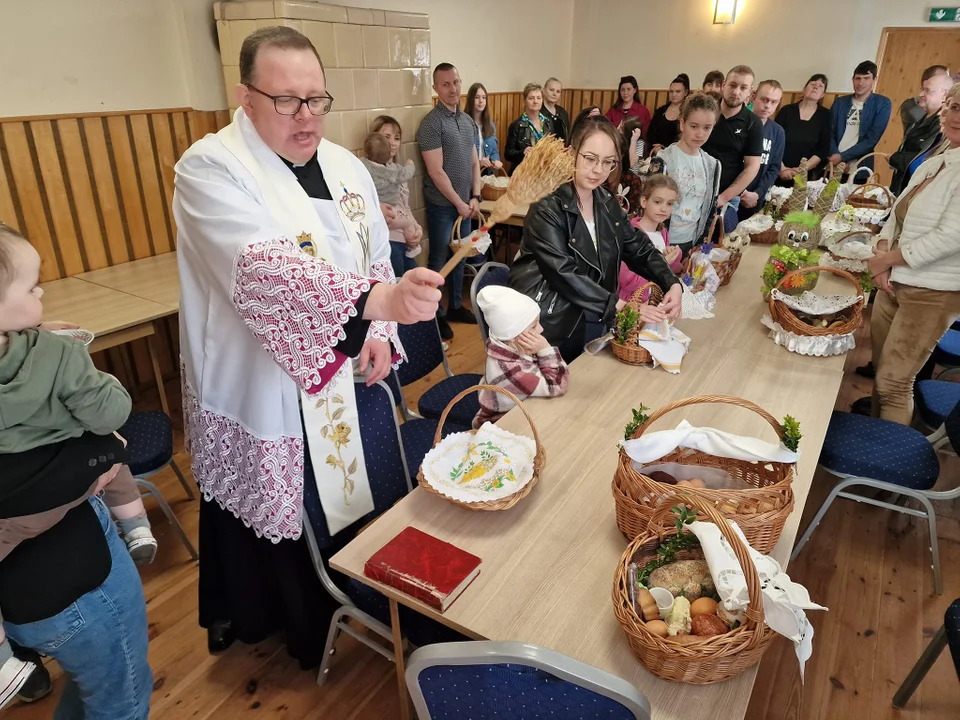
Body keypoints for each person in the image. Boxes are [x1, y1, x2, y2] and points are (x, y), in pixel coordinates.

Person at [173, 26, 443, 665]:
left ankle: (343, 595)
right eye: (285, 100)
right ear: (245, 96)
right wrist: (375, 306)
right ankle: (270, 618)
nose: (306, 116)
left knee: (337, 489)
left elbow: (373, 255)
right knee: (274, 505)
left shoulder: (345, 165)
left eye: (316, 99)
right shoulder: (211, 167)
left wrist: (377, 329)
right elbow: (261, 270)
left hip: (342, 362)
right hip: (255, 377)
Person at [0, 226, 153, 717]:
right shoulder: (55, 355)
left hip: (23, 598)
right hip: (76, 582)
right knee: (122, 700)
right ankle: (137, 524)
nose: (40, 291)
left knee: (96, 692)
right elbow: (108, 426)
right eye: (30, 286)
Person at [509, 115, 682, 363]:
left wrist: (672, 283)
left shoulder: (604, 201)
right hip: (542, 323)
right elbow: (563, 272)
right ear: (571, 153)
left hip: (585, 315)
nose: (598, 170)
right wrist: (621, 306)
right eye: (590, 159)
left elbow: (638, 247)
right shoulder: (546, 205)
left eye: (608, 162)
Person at [859, 83, 960, 425]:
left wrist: (885, 261)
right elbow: (900, 211)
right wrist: (883, 251)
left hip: (933, 291)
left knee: (894, 382)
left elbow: (950, 237)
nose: (952, 114)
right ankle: (869, 441)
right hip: (895, 280)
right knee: (881, 372)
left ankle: (884, 466)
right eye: (951, 105)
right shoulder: (941, 159)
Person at [418, 62, 482, 340]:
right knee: (440, 259)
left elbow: (474, 163)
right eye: (445, 84)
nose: (453, 88)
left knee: (461, 256)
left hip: (467, 206)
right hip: (443, 207)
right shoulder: (431, 124)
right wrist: (458, 202)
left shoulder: (467, 121)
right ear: (436, 88)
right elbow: (436, 172)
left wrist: (476, 196)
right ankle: (436, 315)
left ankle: (456, 305)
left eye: (455, 82)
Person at [472, 285, 570, 428]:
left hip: (525, 410)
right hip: (504, 427)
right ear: (514, 336)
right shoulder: (512, 371)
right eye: (534, 326)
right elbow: (558, 385)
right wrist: (545, 349)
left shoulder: (508, 345)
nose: (541, 329)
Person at [657, 92, 722, 255]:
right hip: (664, 242)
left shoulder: (713, 165)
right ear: (682, 123)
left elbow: (709, 209)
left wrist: (699, 246)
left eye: (707, 128)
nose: (700, 134)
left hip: (692, 241)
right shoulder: (664, 159)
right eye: (694, 126)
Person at [702, 65, 763, 233]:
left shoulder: (753, 123)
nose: (736, 92)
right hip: (695, 191)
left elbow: (752, 167)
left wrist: (724, 197)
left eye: (743, 87)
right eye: (733, 85)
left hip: (727, 198)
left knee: (718, 248)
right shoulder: (706, 113)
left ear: (750, 92)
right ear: (723, 85)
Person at [361, 131, 422, 277]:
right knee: (398, 283)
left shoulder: (369, 165)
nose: (392, 143)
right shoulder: (392, 172)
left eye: (396, 138)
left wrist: (417, 229)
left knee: (415, 280)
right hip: (388, 240)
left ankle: (412, 244)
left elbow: (406, 208)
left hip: (402, 240)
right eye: (386, 137)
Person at [618, 174, 684, 302]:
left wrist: (675, 256)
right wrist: (657, 277)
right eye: (657, 202)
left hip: (657, 298)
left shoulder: (663, 232)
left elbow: (671, 269)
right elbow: (625, 277)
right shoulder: (630, 234)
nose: (664, 208)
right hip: (635, 301)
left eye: (670, 204)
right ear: (644, 201)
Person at [889, 67, 952, 195]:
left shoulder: (942, 127)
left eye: (927, 91)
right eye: (922, 89)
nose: (921, 94)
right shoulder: (921, 117)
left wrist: (894, 158)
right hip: (901, 188)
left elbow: (923, 161)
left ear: (945, 94)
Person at [828, 61, 892, 181]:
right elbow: (829, 132)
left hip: (860, 168)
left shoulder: (882, 103)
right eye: (858, 78)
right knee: (827, 198)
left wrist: (842, 157)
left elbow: (872, 139)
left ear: (874, 80)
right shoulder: (840, 102)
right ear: (853, 80)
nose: (861, 83)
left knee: (855, 199)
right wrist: (836, 157)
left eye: (866, 78)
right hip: (834, 164)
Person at [739, 80, 785, 220]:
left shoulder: (778, 132)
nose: (767, 106)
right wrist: (738, 192)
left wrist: (757, 194)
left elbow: (773, 168)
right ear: (754, 97)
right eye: (764, 100)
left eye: (773, 102)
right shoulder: (739, 123)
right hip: (731, 197)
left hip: (755, 200)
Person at [775, 73, 833, 183]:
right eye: (813, 84)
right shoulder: (786, 111)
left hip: (807, 174)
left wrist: (801, 169)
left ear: (822, 95)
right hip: (778, 169)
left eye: (821, 86)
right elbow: (774, 141)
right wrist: (782, 169)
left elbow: (823, 149)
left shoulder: (826, 115)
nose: (816, 87)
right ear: (804, 89)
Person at [505, 83, 554, 173]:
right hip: (523, 174)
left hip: (544, 173)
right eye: (531, 98)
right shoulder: (516, 125)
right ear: (524, 101)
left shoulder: (548, 122)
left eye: (538, 98)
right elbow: (507, 154)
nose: (535, 101)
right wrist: (522, 153)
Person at [610, 116, 647, 220]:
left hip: (630, 181)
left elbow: (631, 163)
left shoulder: (639, 143)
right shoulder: (618, 142)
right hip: (619, 175)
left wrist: (633, 140)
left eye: (621, 128)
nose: (617, 129)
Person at [464, 82, 502, 175]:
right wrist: (479, 163)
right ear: (470, 100)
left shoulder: (490, 125)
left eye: (484, 97)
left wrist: (495, 160)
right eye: (477, 97)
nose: (481, 101)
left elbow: (494, 151)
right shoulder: (463, 124)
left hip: (487, 174)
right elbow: (461, 156)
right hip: (469, 175)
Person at [647, 74, 690, 154]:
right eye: (671, 91)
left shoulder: (689, 113)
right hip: (658, 154)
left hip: (679, 154)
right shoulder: (660, 111)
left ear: (685, 92)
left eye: (678, 91)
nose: (674, 95)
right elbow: (650, 136)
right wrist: (657, 149)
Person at [542, 77, 571, 143]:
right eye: (551, 90)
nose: (554, 94)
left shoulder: (563, 113)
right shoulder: (537, 112)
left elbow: (568, 136)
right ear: (543, 90)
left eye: (558, 91)